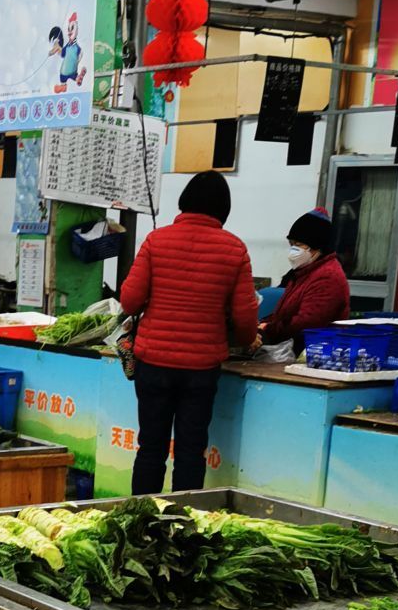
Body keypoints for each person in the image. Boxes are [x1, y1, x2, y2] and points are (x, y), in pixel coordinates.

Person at [118, 170, 258, 497]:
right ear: (223, 209)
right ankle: (182, 526)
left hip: (153, 363)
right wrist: (235, 339)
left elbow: (129, 300)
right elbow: (246, 319)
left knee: (150, 447)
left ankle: (142, 520)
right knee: (190, 452)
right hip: (201, 368)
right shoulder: (235, 249)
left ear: (184, 203)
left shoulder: (157, 240)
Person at [257, 208, 351, 361]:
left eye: (298, 244)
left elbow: (307, 322)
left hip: (315, 356)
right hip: (294, 351)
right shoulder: (302, 273)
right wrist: (264, 323)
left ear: (317, 248)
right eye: (291, 244)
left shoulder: (328, 277)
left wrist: (269, 329)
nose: (293, 249)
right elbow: (285, 314)